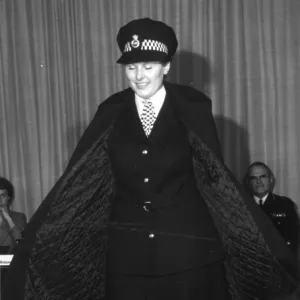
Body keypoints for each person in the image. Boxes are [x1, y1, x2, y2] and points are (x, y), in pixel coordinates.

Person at [2, 18, 300, 300]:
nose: (139, 76)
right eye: (131, 68)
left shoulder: (194, 107)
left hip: (188, 253)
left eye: (149, 66)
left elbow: (215, 180)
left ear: (166, 66)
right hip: (127, 256)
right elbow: (83, 181)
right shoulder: (110, 110)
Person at [243, 161, 299, 258]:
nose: (259, 181)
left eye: (263, 177)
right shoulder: (242, 205)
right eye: (254, 178)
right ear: (249, 182)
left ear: (271, 180)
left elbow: (294, 238)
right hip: (251, 261)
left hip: (279, 261)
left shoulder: (285, 204)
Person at [0, 177, 27, 254]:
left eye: (3, 195)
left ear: (8, 197)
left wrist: (8, 219)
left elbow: (22, 242)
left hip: (12, 263)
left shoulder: (19, 217)